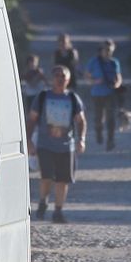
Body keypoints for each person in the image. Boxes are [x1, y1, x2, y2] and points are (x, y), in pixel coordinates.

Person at [26, 65, 86, 223]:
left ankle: (58, 211)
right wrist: (29, 141)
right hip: (45, 145)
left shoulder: (73, 98)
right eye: (57, 76)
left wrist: (81, 139)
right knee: (46, 177)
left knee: (62, 180)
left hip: (67, 146)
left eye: (63, 77)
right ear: (52, 79)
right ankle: (43, 201)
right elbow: (31, 120)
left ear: (68, 80)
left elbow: (81, 121)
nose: (60, 79)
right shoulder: (43, 97)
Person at [85, 39, 124, 150]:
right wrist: (95, 81)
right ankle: (99, 132)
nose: (107, 52)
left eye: (109, 50)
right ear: (101, 50)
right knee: (98, 117)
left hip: (110, 93)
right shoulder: (94, 61)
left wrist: (117, 84)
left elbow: (118, 76)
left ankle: (110, 140)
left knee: (110, 117)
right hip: (97, 93)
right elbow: (87, 76)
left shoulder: (114, 62)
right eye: (105, 50)